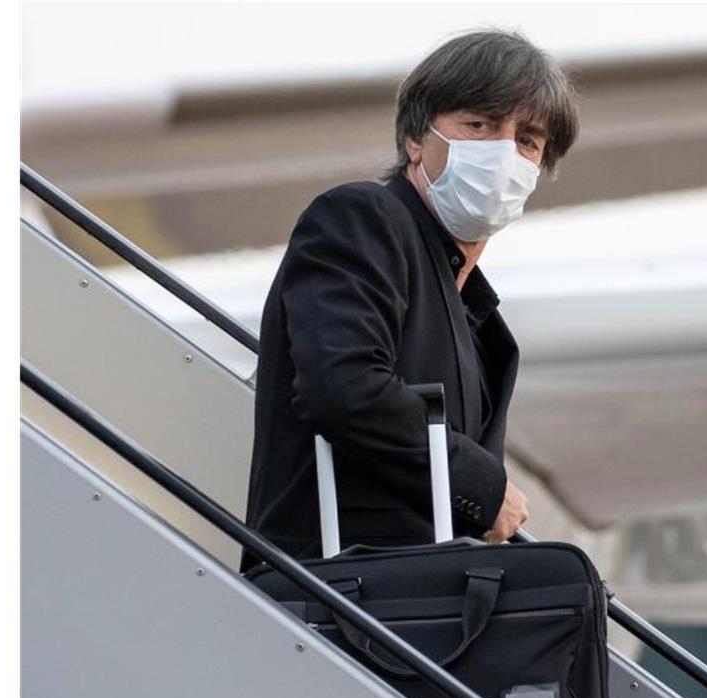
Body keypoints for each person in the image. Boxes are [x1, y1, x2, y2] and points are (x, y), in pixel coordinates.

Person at [240, 30, 579, 572]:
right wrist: (481, 484)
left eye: (527, 141)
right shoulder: (362, 218)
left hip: (418, 613)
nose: (503, 153)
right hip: (344, 600)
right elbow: (344, 386)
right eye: (479, 125)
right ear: (416, 140)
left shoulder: (476, 315)